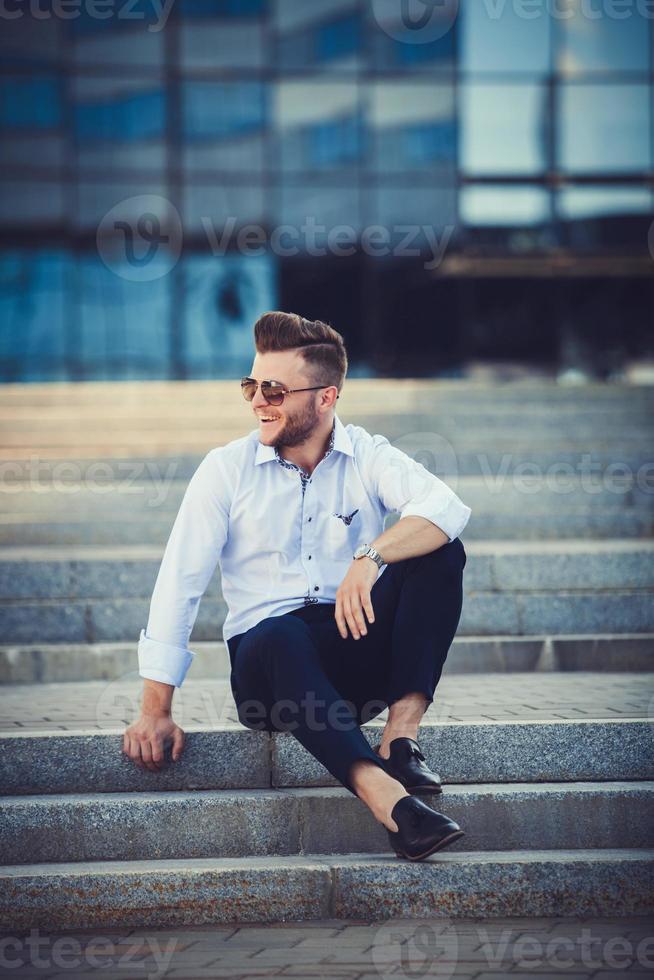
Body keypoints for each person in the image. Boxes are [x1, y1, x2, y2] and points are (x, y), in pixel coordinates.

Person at [123, 311, 472, 861]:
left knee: (439, 549)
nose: (258, 400)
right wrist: (154, 709)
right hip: (269, 674)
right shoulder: (225, 469)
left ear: (326, 398)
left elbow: (446, 509)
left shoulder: (367, 454)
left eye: (275, 389)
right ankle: (389, 800)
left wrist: (371, 555)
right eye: (251, 386)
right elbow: (179, 582)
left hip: (349, 648)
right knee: (278, 634)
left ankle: (400, 741)